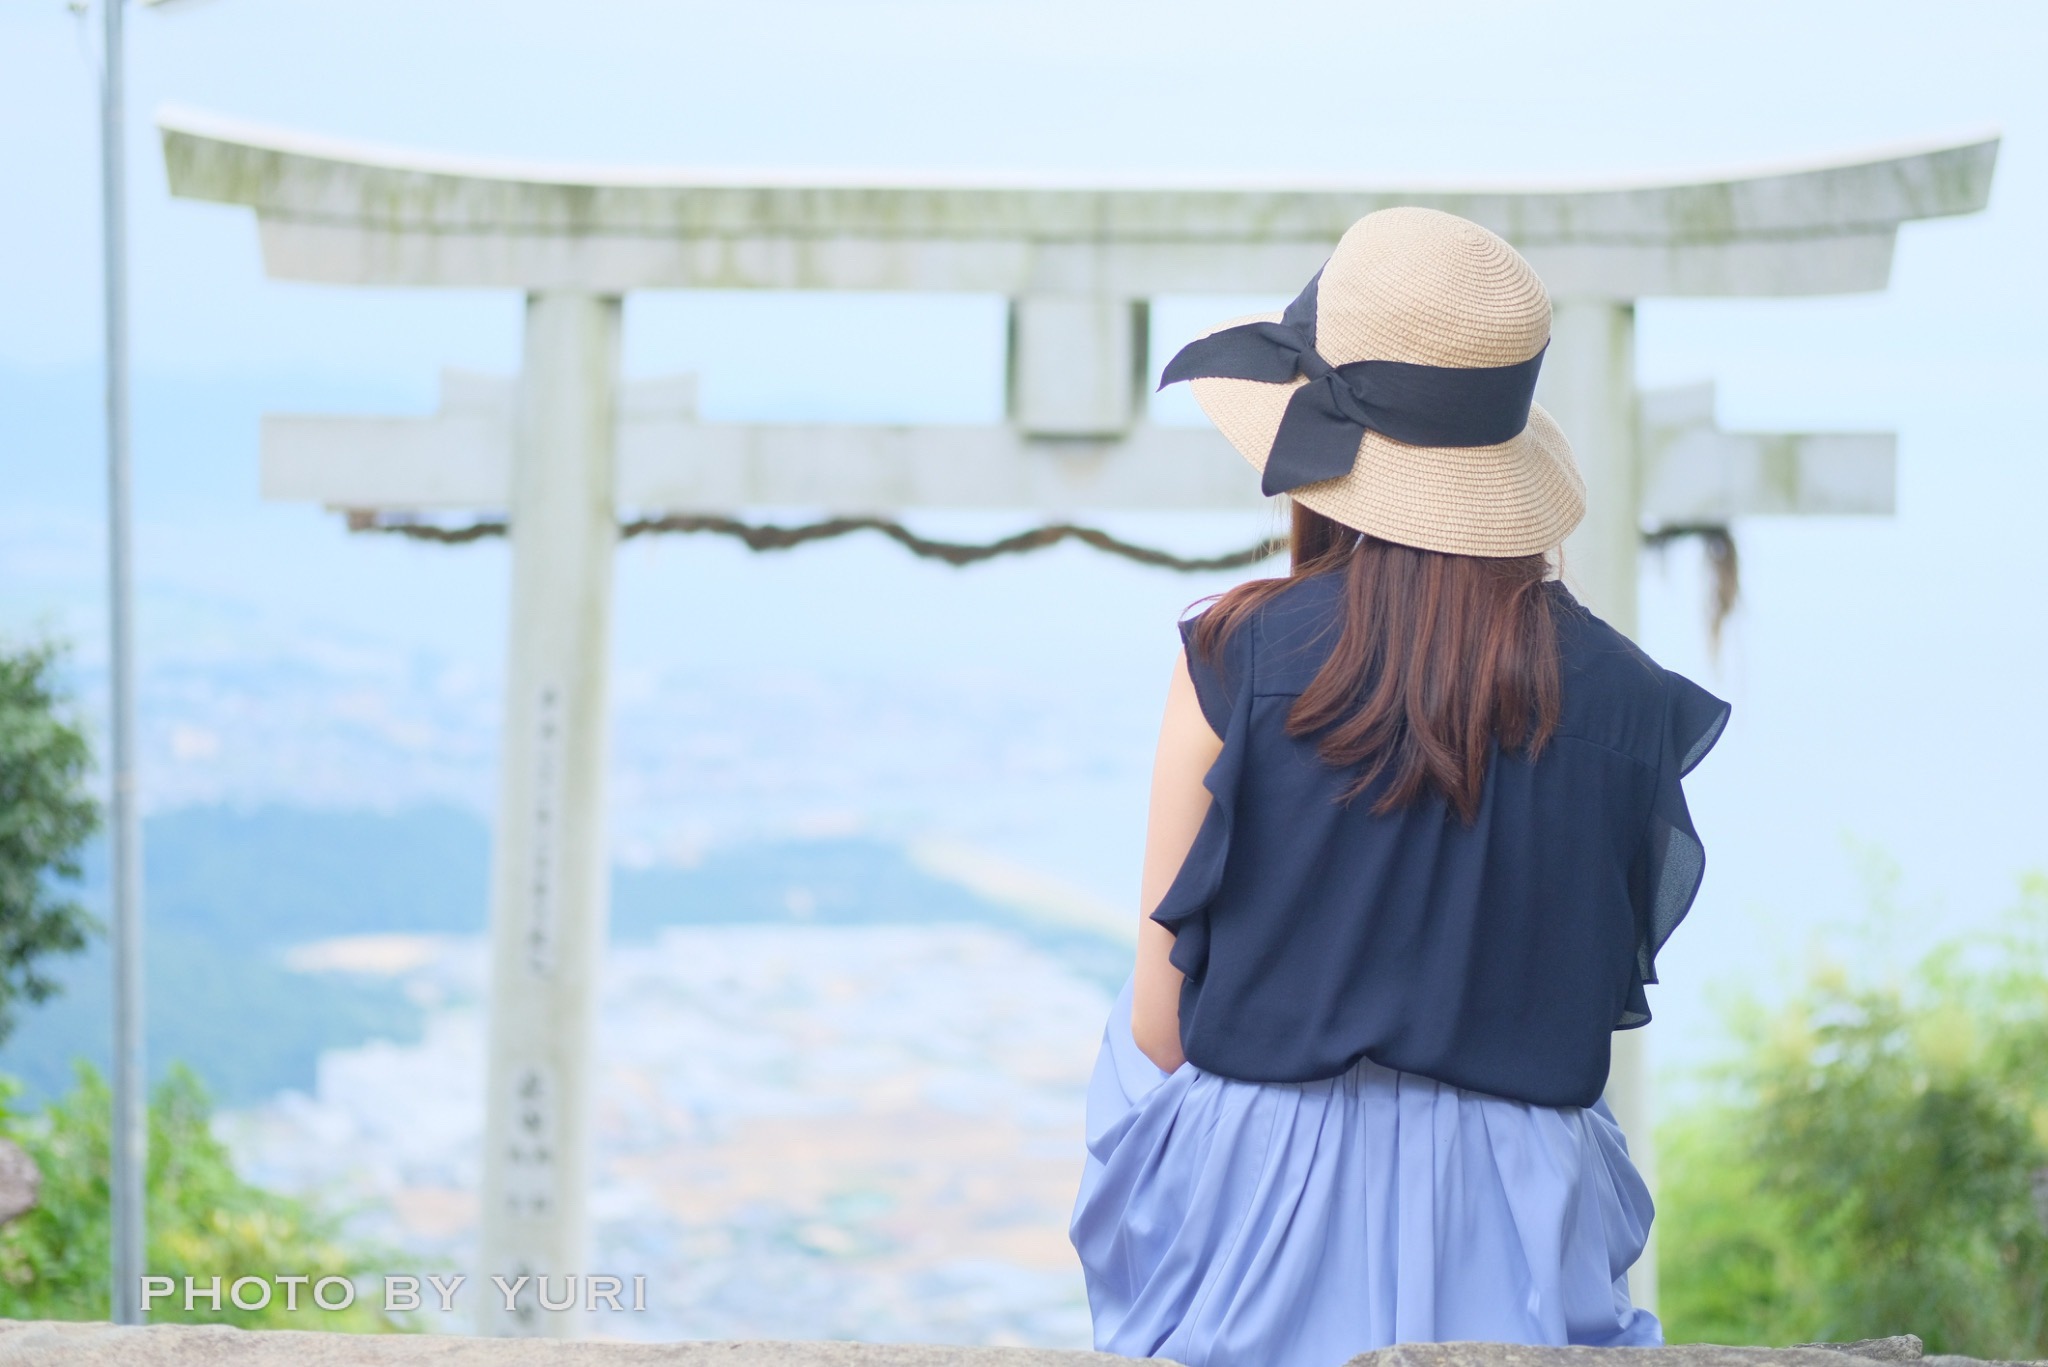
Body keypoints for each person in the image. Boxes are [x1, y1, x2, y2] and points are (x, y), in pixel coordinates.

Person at [1068, 207, 1729, 1367]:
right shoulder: (1629, 704)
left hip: (1259, 1201)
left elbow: (1161, 1027)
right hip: (1517, 1218)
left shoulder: (1234, 660)